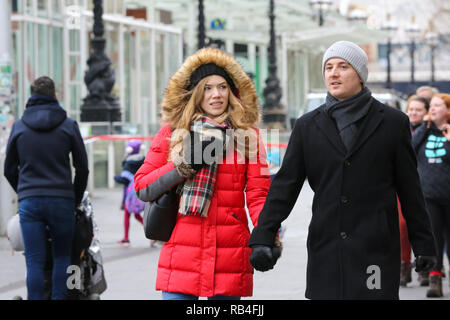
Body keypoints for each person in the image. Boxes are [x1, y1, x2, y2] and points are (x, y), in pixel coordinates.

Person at [248, 41, 436, 300]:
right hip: (327, 247)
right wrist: (263, 236)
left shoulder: (393, 123)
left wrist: (424, 244)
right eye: (328, 67)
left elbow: (410, 189)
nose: (333, 74)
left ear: (359, 74)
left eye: (343, 67)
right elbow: (285, 186)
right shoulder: (307, 126)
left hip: (376, 250)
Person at [134, 47, 271, 300]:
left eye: (222, 87)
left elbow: (258, 194)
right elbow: (143, 186)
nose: (216, 94)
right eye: (207, 88)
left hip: (229, 254)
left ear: (233, 92)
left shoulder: (249, 137)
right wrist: (185, 164)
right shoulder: (172, 133)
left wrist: (266, 234)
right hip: (181, 256)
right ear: (196, 93)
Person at [4, 76, 89, 300]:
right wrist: (75, 198)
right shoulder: (69, 125)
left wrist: (24, 192)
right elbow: (82, 168)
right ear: (55, 96)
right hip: (61, 201)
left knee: (34, 260)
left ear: (31, 97)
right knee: (62, 257)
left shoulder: (20, 126)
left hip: (31, 202)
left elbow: (9, 168)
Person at [412, 93, 450, 297]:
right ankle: (435, 279)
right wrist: (424, 127)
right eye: (432, 106)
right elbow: (410, 148)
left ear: (448, 111)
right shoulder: (423, 131)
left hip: (448, 194)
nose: (433, 109)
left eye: (438, 106)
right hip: (429, 195)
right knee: (434, 239)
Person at [400, 95, 430, 286]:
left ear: (426, 113)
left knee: (426, 227)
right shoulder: (401, 128)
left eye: (418, 109)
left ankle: (425, 267)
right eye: (411, 109)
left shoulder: (434, 130)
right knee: (402, 227)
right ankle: (404, 266)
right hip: (402, 185)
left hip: (427, 187)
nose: (413, 112)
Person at [114, 139, 145, 246]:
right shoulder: (144, 160)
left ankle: (126, 238)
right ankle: (155, 233)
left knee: (127, 214)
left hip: (130, 195)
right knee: (137, 215)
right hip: (140, 191)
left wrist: (116, 177)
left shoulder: (128, 163)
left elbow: (124, 180)